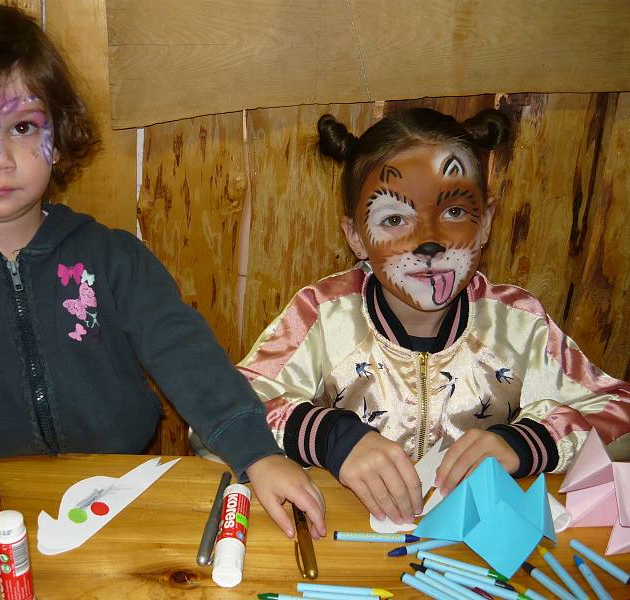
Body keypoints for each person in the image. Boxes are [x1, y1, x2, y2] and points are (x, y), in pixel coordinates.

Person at [0, 2, 326, 537]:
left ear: (59, 138)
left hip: (121, 488)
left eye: (23, 125)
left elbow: (189, 359)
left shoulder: (113, 260)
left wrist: (255, 452)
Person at [238, 108, 630, 526]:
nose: (429, 241)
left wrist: (529, 442)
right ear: (355, 237)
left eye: (455, 212)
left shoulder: (519, 324)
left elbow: (618, 410)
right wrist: (332, 437)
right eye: (393, 219)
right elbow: (225, 414)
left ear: (486, 224)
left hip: (472, 553)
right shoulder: (320, 314)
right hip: (342, 537)